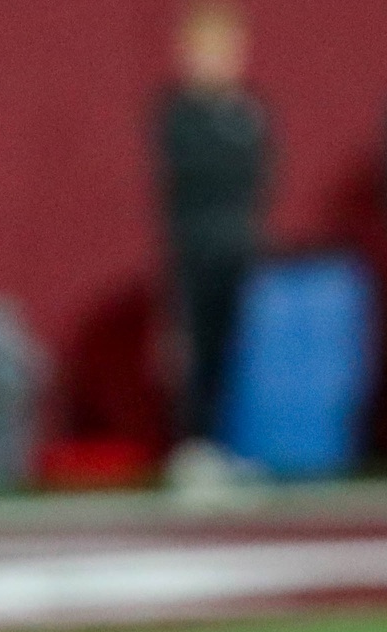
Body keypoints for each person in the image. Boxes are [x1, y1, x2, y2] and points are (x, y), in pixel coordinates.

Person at [155, 1, 271, 489]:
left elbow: (258, 175)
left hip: (239, 250)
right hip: (195, 251)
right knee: (195, 349)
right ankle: (193, 448)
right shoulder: (179, 113)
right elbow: (194, 174)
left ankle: (224, 446)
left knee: (232, 350)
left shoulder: (248, 111)